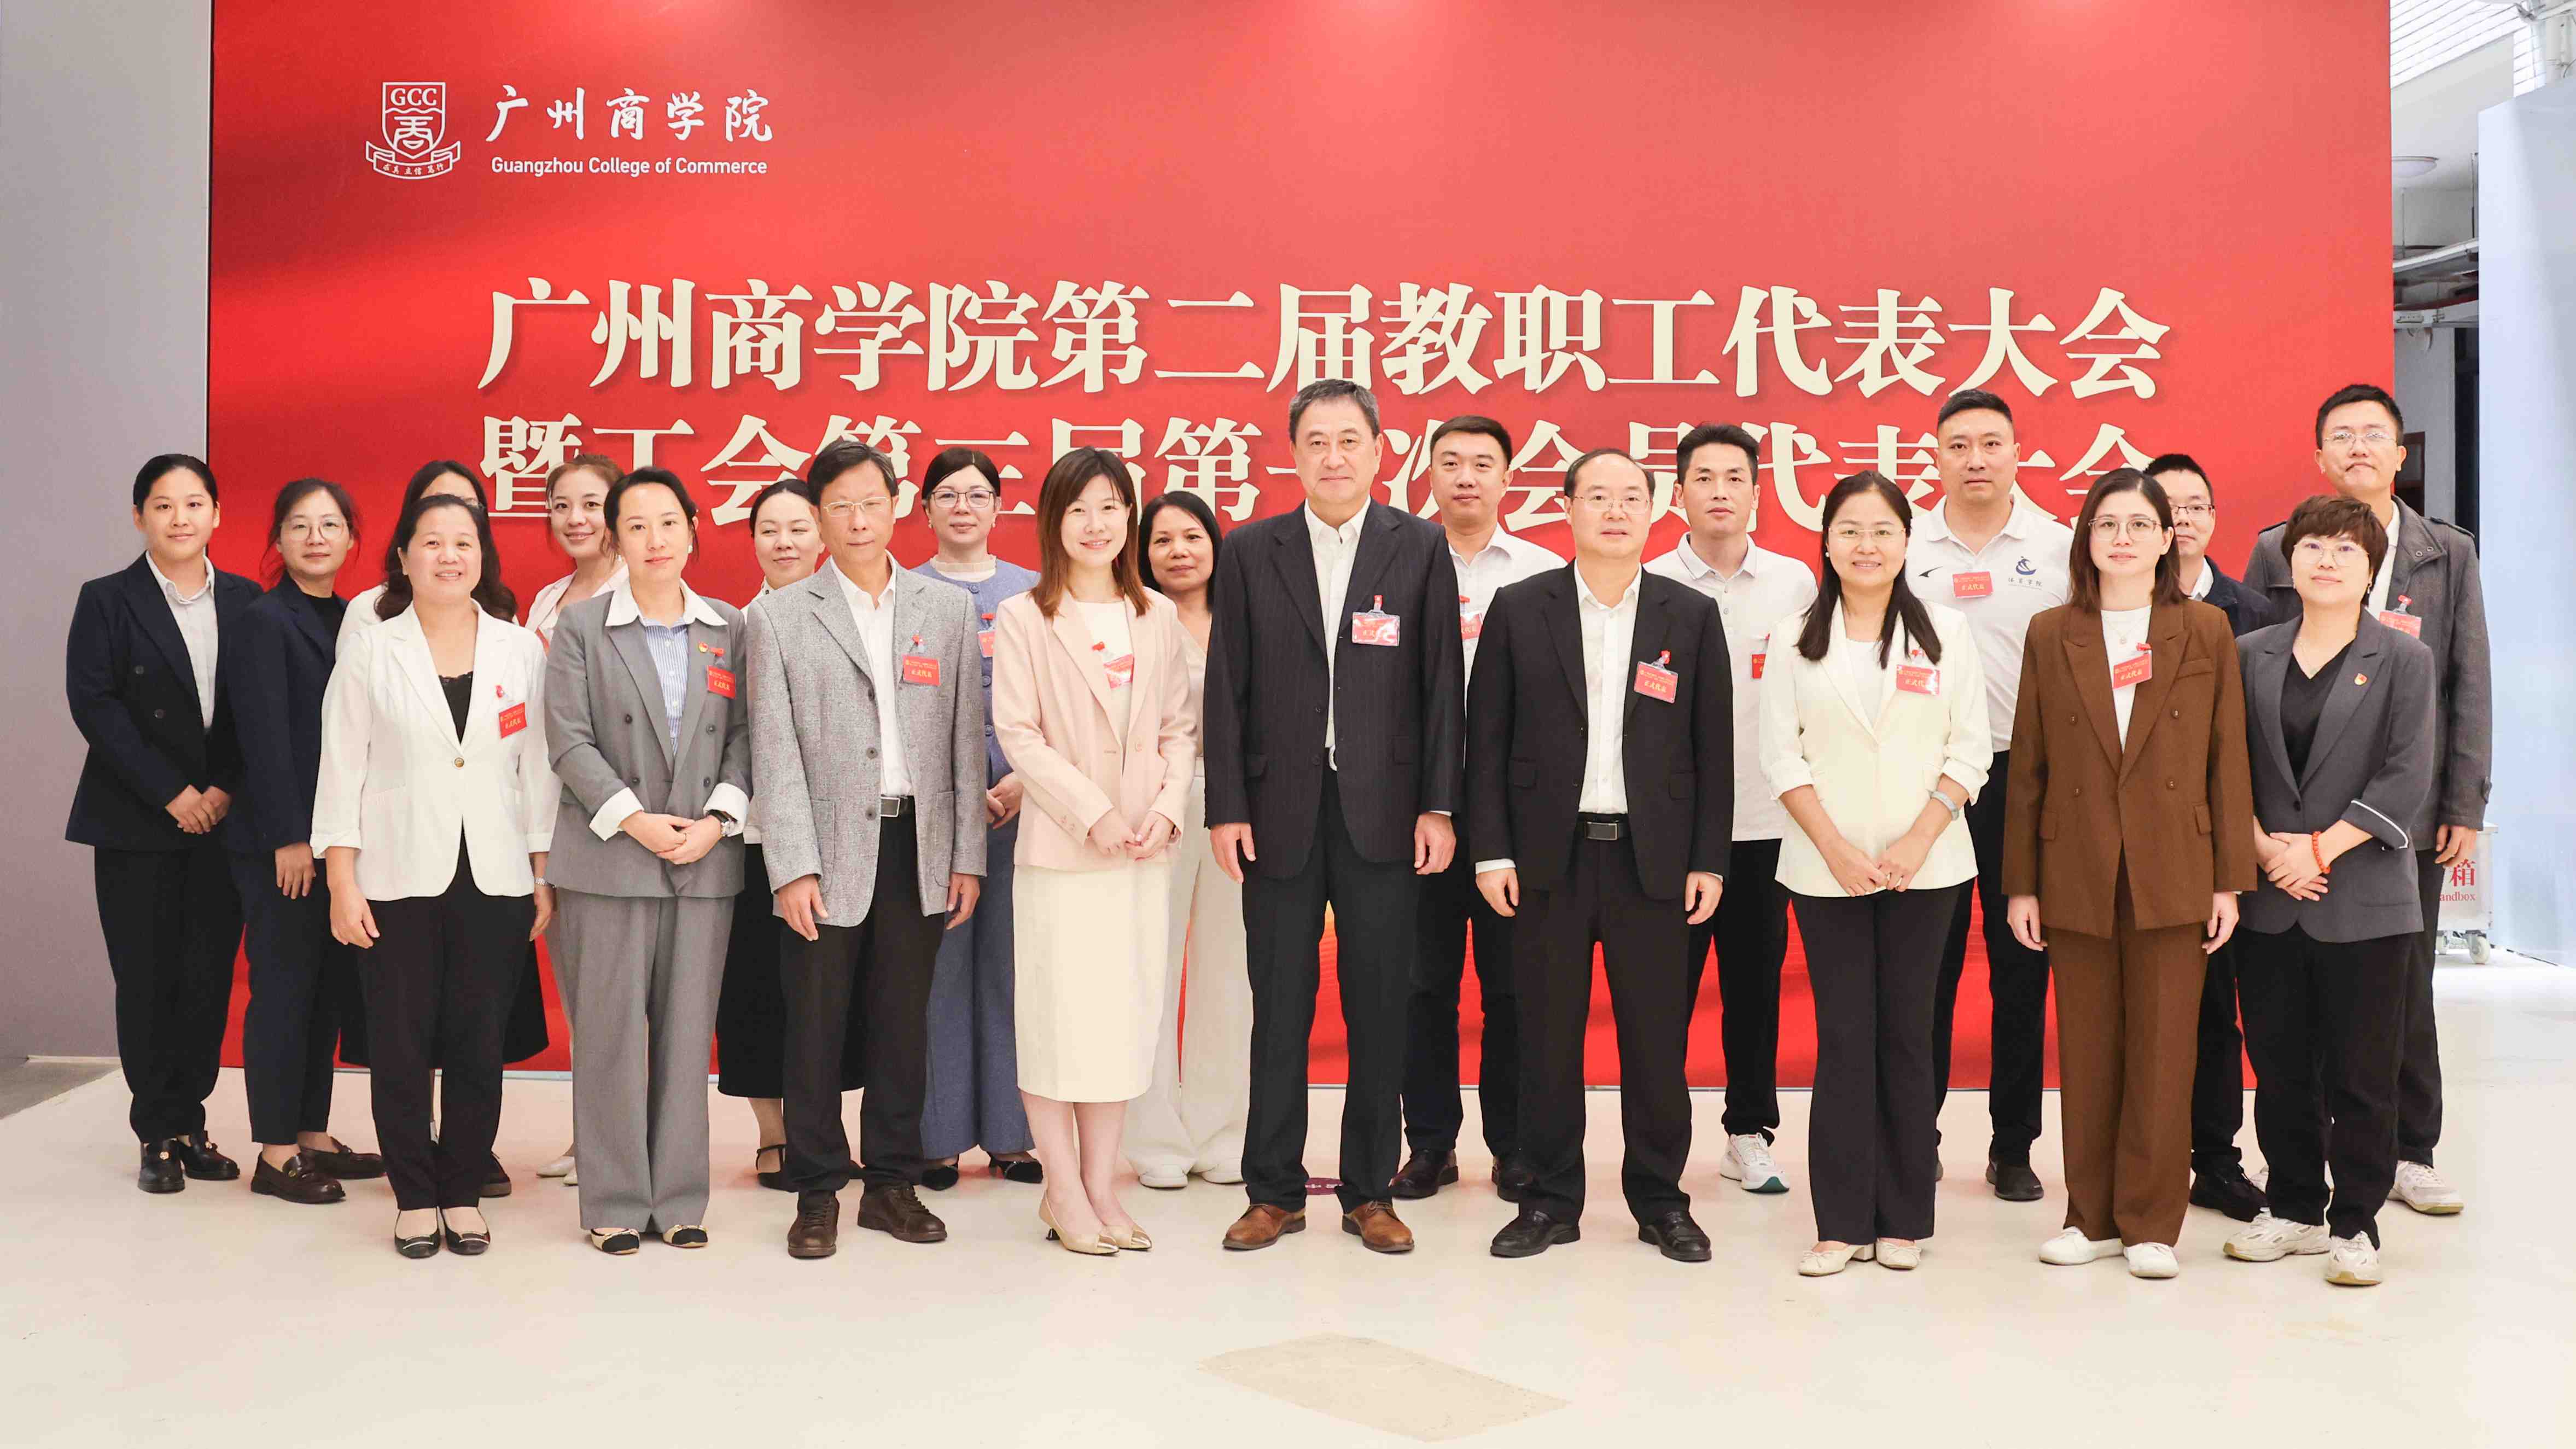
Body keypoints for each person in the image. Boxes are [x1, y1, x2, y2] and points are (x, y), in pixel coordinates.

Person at [1202, 379, 1465, 1255]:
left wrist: (1438, 804)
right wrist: (1226, 806)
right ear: (1292, 454)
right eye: (1315, 441)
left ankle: (1368, 1191)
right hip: (1276, 809)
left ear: (1379, 451)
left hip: (1384, 811)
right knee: (1279, 1004)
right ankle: (1272, 1191)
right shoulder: (1251, 549)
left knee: (1379, 1004)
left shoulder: (1418, 545)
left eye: (1349, 440)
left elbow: (1441, 685)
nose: (1333, 456)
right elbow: (1225, 687)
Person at [1468, 450, 1730, 1262]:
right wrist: (1491, 852)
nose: (1615, 511)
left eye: (1630, 498)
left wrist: (1709, 860)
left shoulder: (1689, 614)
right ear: (1567, 507)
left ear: (1654, 510)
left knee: (1656, 1042)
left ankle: (1660, 1200)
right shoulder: (1521, 607)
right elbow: (1487, 741)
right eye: (1597, 497)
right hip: (1547, 858)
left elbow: (1713, 747)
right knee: (1546, 1038)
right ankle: (1549, 1200)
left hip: (1653, 862)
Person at [2000, 469, 2257, 1279]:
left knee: (2163, 1049)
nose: (2122, 537)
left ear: (2166, 537)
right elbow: (2029, 764)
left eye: (2139, 524)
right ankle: (2091, 1216)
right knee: (2086, 1050)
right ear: (2085, 538)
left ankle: (2150, 1222)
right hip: (2076, 863)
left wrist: (2227, 880)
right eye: (2106, 523)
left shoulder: (2205, 628)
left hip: (2174, 863)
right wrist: (2021, 882)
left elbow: (2227, 759)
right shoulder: (2051, 632)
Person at [2241, 384, 2488, 1218]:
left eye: (2372, 435)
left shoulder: (2444, 552)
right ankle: (2304, 1164)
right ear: (2318, 455)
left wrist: (2464, 801)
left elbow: (2467, 680)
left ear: (2398, 453)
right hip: (2287, 820)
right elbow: (2255, 684)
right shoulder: (2277, 547)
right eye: (2340, 435)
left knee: (2398, 991)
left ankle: (2410, 1150)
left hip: (2403, 813)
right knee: (2298, 996)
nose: (2357, 447)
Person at [743, 440, 986, 1259]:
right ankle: (816, 1191)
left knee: (900, 1023)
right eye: (839, 506)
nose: (857, 520)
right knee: (813, 1024)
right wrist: (791, 866)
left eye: (870, 503)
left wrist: (967, 855)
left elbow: (963, 744)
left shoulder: (945, 610)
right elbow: (773, 752)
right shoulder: (779, 616)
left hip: (918, 841)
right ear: (818, 517)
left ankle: (890, 1185)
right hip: (825, 847)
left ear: (896, 506)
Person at [314, 493, 558, 1257]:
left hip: (495, 873)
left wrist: (541, 870)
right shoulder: (371, 648)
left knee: (479, 1042)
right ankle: (415, 1195)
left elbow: (538, 768)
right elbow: (340, 769)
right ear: (404, 556)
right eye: (432, 542)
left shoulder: (519, 649)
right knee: (400, 1043)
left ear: (482, 557)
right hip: (394, 875)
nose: (449, 556)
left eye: (464, 543)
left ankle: (461, 1190)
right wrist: (341, 881)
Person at [1761, 472, 1990, 1276]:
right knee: (1844, 1039)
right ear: (1826, 543)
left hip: (1928, 868)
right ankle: (1840, 1221)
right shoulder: (1793, 637)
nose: (1866, 545)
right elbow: (1780, 755)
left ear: (1905, 542)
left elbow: (1970, 749)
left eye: (1882, 530)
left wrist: (1919, 840)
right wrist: (1833, 848)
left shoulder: (1947, 632)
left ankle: (1903, 1219)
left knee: (1906, 1036)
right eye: (1850, 530)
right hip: (1825, 871)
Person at [2224, 497, 2438, 1288]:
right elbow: (2224, 766)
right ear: (2287, 560)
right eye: (2311, 545)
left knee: (2363, 1074)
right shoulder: (2248, 654)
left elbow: (2406, 773)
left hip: (2366, 899)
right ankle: (2292, 1208)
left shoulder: (2404, 658)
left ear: (2371, 567)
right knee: (2279, 1067)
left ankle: (2355, 1222)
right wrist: (2263, 850)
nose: (2326, 559)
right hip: (2270, 895)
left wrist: (2318, 848)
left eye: (2346, 549)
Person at [989, 448, 1198, 1254]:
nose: (1096, 524)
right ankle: (1062, 1189)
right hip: (1064, 854)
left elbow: (1179, 729)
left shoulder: (1157, 615)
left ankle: (1102, 1187)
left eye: (1110, 506)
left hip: (1141, 854)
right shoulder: (1023, 616)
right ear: (1053, 521)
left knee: (1120, 1021)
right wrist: (1094, 812)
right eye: (1078, 508)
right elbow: (1019, 735)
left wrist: (1166, 811)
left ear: (1129, 518)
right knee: (1056, 1022)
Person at [544, 469, 751, 1254]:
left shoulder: (728, 626)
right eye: (636, 526)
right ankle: (614, 1201)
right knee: (608, 1038)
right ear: (614, 538)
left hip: (703, 859)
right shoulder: (581, 626)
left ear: (694, 528)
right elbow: (568, 740)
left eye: (668, 522)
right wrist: (635, 822)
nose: (655, 540)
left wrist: (717, 822)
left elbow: (745, 736)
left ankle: (681, 1199)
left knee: (688, 1036)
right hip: (607, 859)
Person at [66, 454, 259, 1194]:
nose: (181, 518)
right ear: (139, 516)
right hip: (136, 820)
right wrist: (172, 792)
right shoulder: (107, 600)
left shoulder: (245, 600)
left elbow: (259, 709)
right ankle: (157, 1132)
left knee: (208, 978)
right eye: (163, 504)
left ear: (217, 514)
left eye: (194, 503)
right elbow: (96, 705)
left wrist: (224, 789)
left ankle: (191, 1123)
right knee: (146, 978)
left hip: (222, 818)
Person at [1909, 388, 2074, 1202]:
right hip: (1925, 782)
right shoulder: (1903, 542)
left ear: (2017, 452)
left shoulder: (2058, 546)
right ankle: (1917, 1136)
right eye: (1959, 445)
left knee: (2021, 967)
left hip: (2023, 778)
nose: (1975, 459)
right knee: (1925, 970)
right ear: (1936, 456)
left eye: (1990, 444)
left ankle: (2013, 1146)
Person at [1645, 422, 1818, 1196]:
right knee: (1662, 993)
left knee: (1754, 989)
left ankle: (1749, 1132)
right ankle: (1656, 1142)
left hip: (1765, 824)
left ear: (1756, 492)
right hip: (1670, 829)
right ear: (1677, 493)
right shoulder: (1648, 579)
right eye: (1704, 478)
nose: (1719, 492)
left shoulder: (1793, 584)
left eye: (1735, 478)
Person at [1395, 416, 1560, 1203]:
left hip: (1515, 818)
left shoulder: (1544, 571)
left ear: (1507, 479)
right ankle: (1429, 1144)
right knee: (1421, 986)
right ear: (1428, 475)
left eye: (1482, 464)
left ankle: (1514, 1146)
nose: (1466, 477)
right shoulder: (1397, 561)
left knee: (1513, 990)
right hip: (1415, 813)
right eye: (1450, 462)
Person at [225, 476, 384, 1204]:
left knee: (324, 991)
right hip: (284, 845)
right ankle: (275, 1151)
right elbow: (261, 738)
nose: (315, 537)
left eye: (329, 525)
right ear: (278, 540)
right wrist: (290, 838)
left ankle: (312, 1133)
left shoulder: (355, 619)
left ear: (352, 539)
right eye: (299, 525)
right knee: (285, 990)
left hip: (337, 843)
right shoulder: (264, 620)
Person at [714, 479, 856, 1190]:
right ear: (752, 543)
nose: (784, 542)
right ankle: (773, 1134)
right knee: (754, 992)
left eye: (798, 528)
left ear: (822, 537)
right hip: (752, 841)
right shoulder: (735, 628)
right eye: (769, 530)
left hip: (834, 839)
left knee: (825, 997)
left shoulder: (851, 619)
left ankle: (820, 1131)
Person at [2141, 452, 2271, 1223]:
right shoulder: (2119, 607)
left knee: (2219, 1010)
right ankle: (2144, 1160)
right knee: (2154, 1012)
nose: (2182, 518)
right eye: (2168, 507)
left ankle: (2216, 1161)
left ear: (2214, 519)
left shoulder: (2252, 611)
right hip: (2146, 840)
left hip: (2227, 839)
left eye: (2196, 505)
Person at [912, 447, 1043, 1189]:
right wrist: (960, 790)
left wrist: (1025, 780)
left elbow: (1062, 702)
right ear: (925, 508)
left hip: (1026, 809)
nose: (962, 507)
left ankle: (1011, 1135)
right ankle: (936, 1139)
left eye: (977, 495)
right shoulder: (903, 592)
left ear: (998, 507)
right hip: (935, 814)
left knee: (1010, 969)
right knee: (939, 971)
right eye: (947, 495)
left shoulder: (1033, 592)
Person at [1127, 491, 1251, 1189]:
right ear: (1143, 554)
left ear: (1215, 543)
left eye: (1192, 536)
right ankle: (1155, 1141)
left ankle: (1221, 1133)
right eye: (1162, 540)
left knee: (1229, 975)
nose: (1179, 551)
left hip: (1239, 809)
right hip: (1155, 808)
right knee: (1153, 970)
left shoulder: (1248, 614)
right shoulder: (1133, 621)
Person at [337, 461, 489, 654]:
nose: (453, 513)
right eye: (438, 501)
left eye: (468, 505)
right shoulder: (368, 612)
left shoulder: (502, 613)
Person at [521, 453, 628, 645]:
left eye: (591, 505)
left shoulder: (639, 593)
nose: (574, 519)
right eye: (562, 506)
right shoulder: (547, 596)